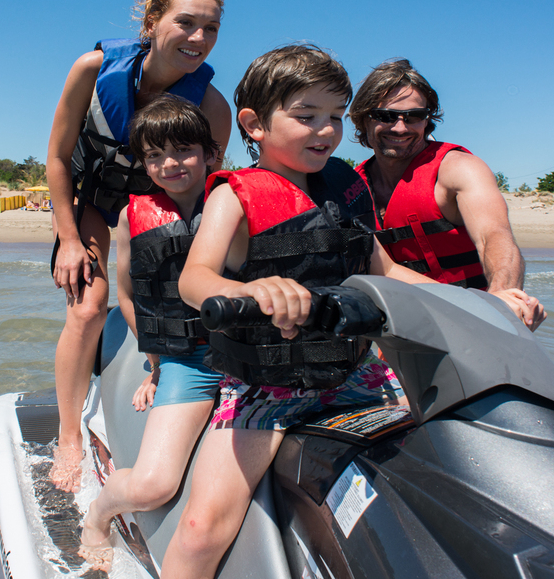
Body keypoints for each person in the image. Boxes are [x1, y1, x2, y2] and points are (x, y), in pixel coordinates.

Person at [164, 45, 434, 579]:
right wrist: (257, 287)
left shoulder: (348, 186)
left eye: (335, 116)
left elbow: (387, 270)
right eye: (306, 116)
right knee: (202, 529)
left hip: (358, 375)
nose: (326, 130)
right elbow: (195, 280)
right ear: (255, 125)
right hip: (268, 388)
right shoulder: (234, 195)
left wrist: (484, 302)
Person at [44, 0, 232, 491]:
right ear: (151, 25)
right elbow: (59, 158)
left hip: (157, 208)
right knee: (85, 306)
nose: (199, 37)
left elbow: (211, 188)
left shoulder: (212, 107)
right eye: (185, 23)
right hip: (92, 201)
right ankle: (68, 437)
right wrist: (66, 239)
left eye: (211, 28)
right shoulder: (94, 68)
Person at [78, 96, 221, 571]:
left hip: (249, 360)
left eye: (183, 151)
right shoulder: (130, 217)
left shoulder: (235, 202)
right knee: (155, 485)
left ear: (211, 155)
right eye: (155, 155)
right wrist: (157, 366)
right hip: (189, 361)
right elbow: (129, 297)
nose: (169, 164)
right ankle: (98, 515)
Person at [350, 59, 545, 330]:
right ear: (362, 119)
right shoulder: (351, 188)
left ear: (428, 121)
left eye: (414, 116)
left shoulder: (458, 169)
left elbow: (494, 236)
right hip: (400, 329)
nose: (400, 127)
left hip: (473, 321)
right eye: (386, 115)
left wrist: (502, 299)